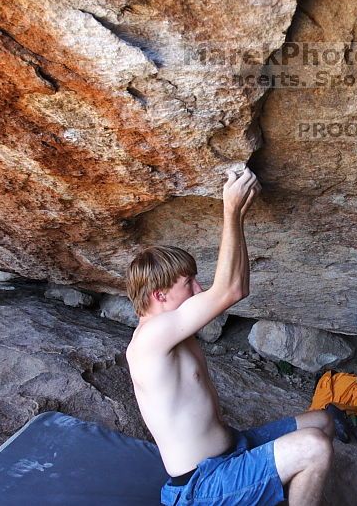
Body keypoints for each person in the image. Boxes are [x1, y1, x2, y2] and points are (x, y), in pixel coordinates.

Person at [125, 167, 334, 506]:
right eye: (188, 283)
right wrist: (230, 209)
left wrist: (240, 217)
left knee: (321, 421)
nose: (199, 288)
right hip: (203, 487)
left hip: (233, 449)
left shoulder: (172, 327)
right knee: (314, 447)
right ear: (160, 295)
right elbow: (229, 289)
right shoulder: (150, 339)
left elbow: (240, 286)